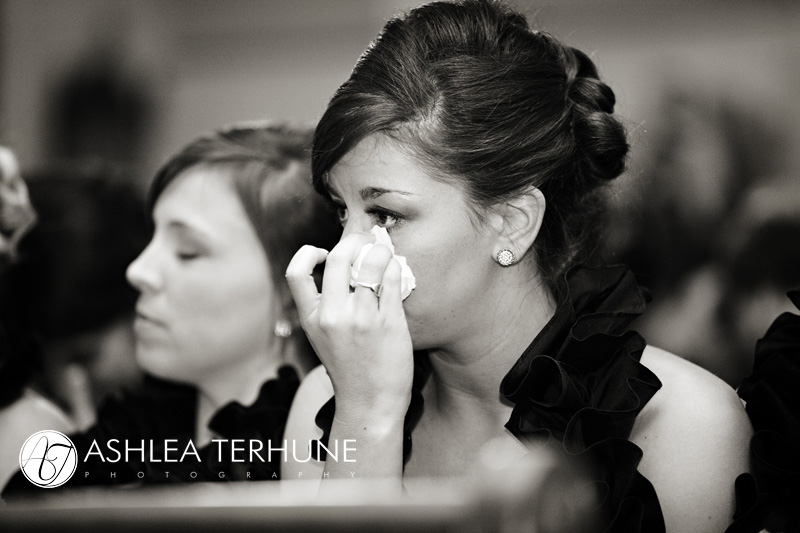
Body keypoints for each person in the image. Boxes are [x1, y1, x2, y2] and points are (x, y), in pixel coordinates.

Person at [282, 2, 753, 532]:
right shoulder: (328, 402)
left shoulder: (680, 425)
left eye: (386, 215)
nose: (346, 253)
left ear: (511, 222)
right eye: (341, 211)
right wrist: (367, 417)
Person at [2, 121, 341, 495]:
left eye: (187, 252)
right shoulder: (136, 429)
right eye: (153, 238)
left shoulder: (317, 456)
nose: (138, 271)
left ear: (296, 293)